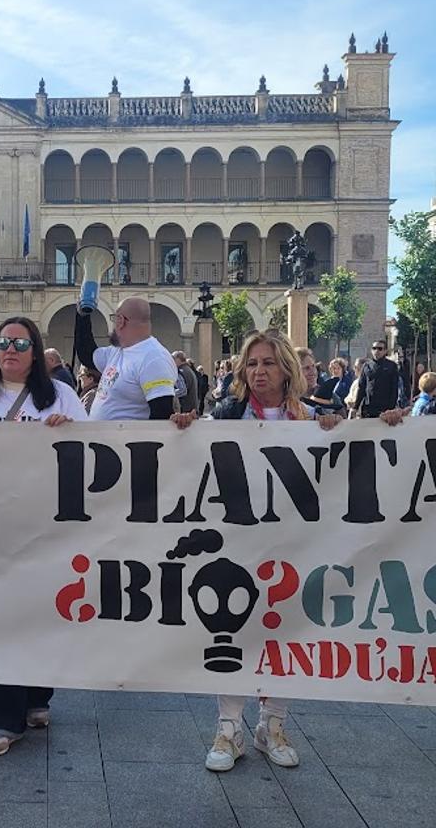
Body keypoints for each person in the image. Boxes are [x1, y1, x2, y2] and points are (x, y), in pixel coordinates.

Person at [169, 332, 404, 772]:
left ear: (286, 370)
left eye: (268, 363)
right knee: (234, 631)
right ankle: (229, 727)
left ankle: (271, 724)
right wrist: (185, 431)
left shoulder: (314, 417)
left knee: (285, 632)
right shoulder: (226, 414)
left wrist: (387, 425)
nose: (259, 371)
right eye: (252, 363)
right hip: (242, 542)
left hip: (296, 546)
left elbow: (354, 455)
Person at [0, 317, 85, 756]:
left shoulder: (60, 395)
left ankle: (36, 695)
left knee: (40, 612)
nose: (10, 349)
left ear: (34, 348)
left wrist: (72, 431)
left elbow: (96, 449)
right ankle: (1, 720)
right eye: (3, 342)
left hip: (44, 523)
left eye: (20, 343)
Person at [74, 298, 177, 420]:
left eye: (114, 318)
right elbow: (87, 355)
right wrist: (83, 316)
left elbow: (161, 414)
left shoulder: (153, 358)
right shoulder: (118, 351)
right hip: (102, 437)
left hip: (126, 438)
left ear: (120, 321)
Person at [353, 340, 403, 418]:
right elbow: (361, 387)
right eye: (374, 348)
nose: (377, 351)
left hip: (385, 409)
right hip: (368, 408)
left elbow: (394, 389)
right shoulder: (366, 366)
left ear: (385, 351)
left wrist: (391, 409)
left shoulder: (391, 366)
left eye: (380, 349)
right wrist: (355, 407)